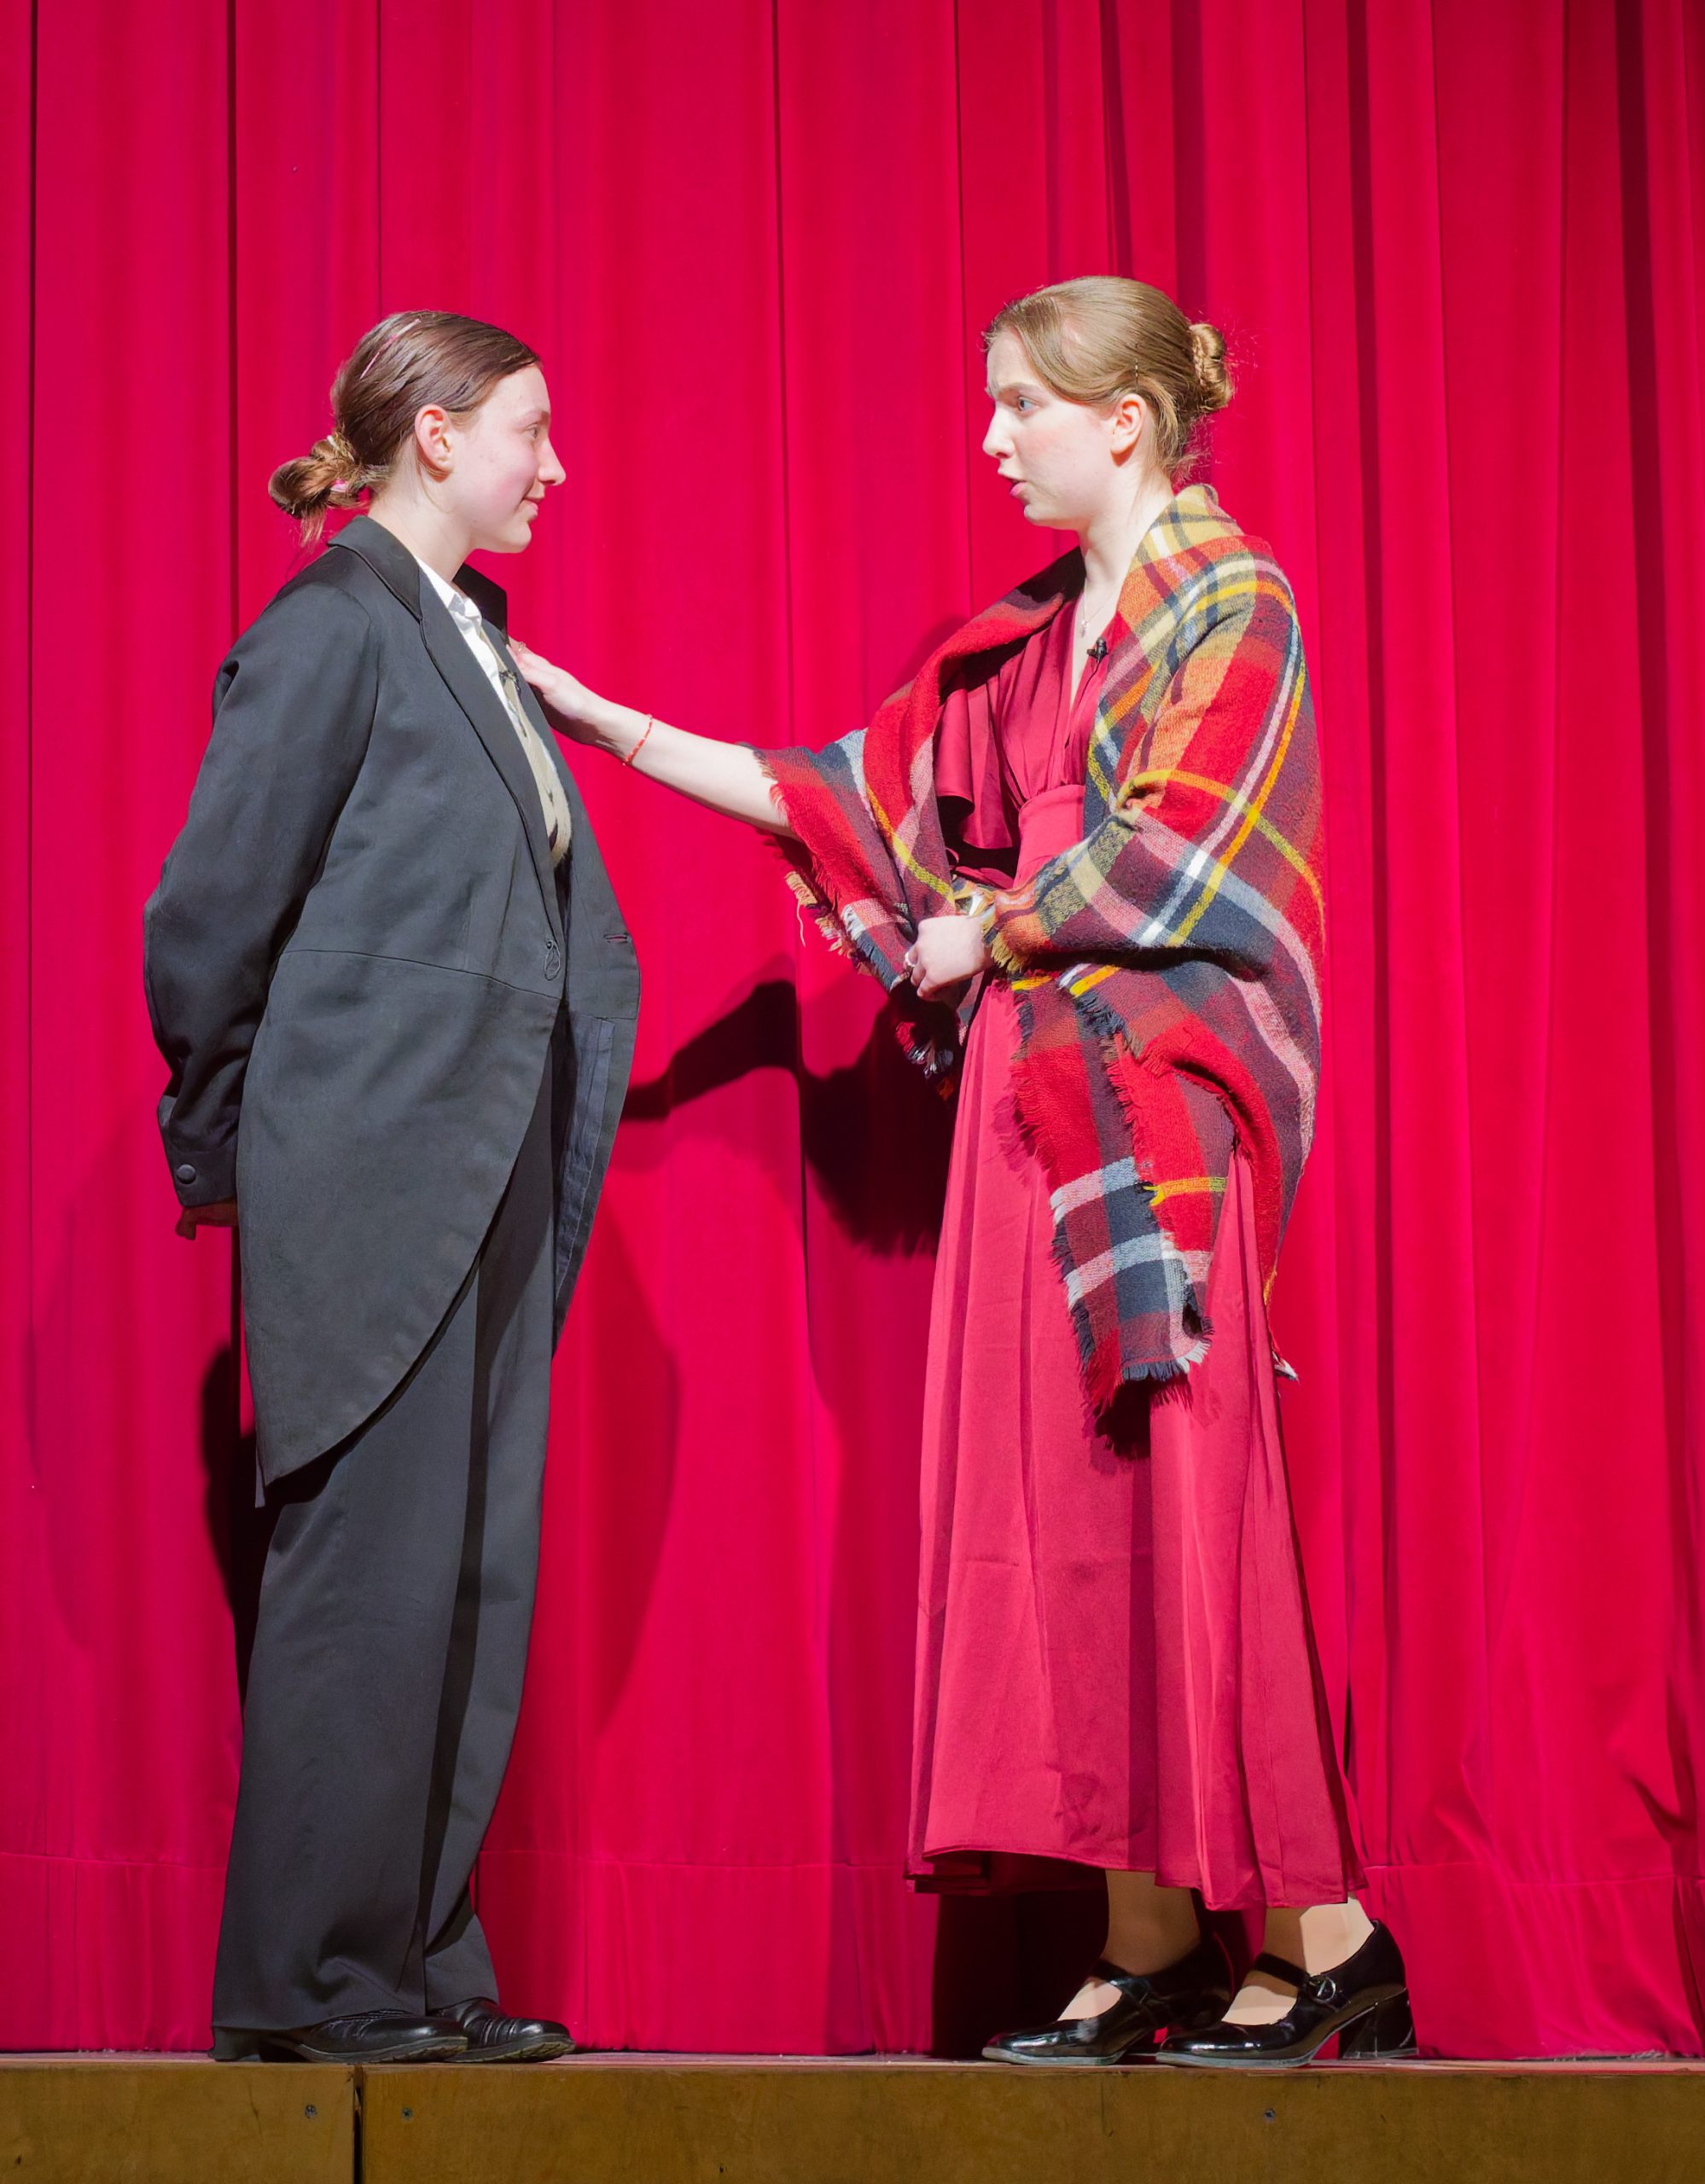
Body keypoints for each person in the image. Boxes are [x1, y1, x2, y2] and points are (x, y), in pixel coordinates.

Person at [509, 276, 1411, 2069]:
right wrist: (607, 723)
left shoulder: (1233, 598)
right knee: (1072, 1518)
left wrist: (990, 927)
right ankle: (1148, 1935)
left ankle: (1328, 1936)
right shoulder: (1026, 645)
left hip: (1151, 1121)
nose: (991, 439)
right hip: (1034, 1109)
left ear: (1124, 423)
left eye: (1020, 405)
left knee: (1187, 1506)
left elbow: (1186, 856)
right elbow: (845, 797)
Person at [143, 311, 639, 2065]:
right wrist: (231, 1152)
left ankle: (418, 1966)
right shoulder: (332, 623)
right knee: (367, 1573)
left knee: (464, 1577)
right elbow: (209, 918)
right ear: (436, 434)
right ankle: (316, 1985)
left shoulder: (469, 631)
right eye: (530, 428)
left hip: (480, 1160)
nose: (554, 465)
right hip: (368, 1171)